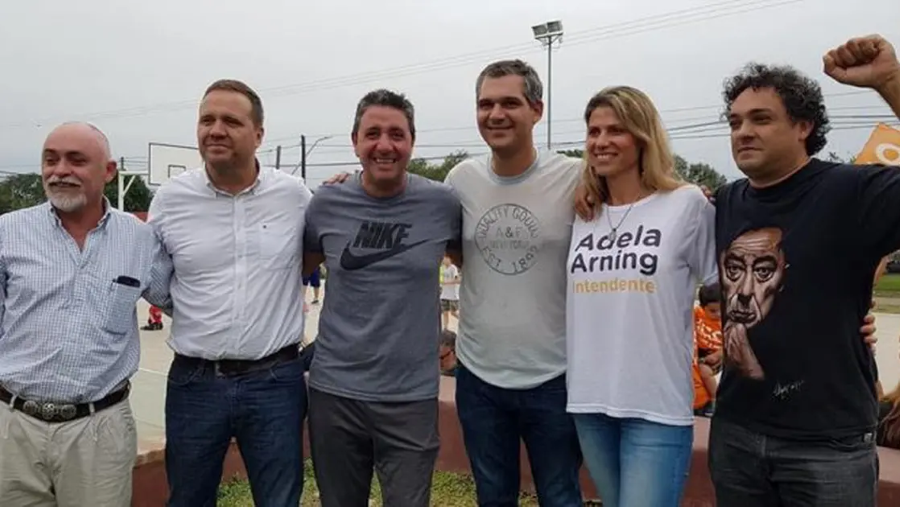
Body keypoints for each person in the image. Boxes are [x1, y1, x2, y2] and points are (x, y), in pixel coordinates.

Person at [708, 34, 900, 505]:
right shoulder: (728, 199)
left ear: (804, 126)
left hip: (826, 443)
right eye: (734, 121)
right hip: (735, 431)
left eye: (761, 119)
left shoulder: (851, 192)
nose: (742, 131)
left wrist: (890, 81)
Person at [148, 79, 312, 507]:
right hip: (194, 382)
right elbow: (156, 280)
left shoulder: (295, 197)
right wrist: (196, 312)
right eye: (207, 119)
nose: (215, 129)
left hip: (275, 381)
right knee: (188, 498)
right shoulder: (171, 199)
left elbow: (318, 254)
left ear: (258, 134)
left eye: (231, 121)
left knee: (279, 500)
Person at [302, 89, 461, 507]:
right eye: (372, 133)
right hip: (335, 392)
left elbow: (472, 264)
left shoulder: (441, 203)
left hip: (410, 395)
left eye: (397, 134)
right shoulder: (326, 203)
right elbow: (299, 268)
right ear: (355, 141)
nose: (384, 145)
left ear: (412, 141)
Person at [0, 122, 172, 506]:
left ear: (108, 172)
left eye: (76, 160)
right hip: (13, 427)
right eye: (51, 160)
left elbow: (183, 301)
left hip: (100, 430)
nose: (60, 170)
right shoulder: (8, 232)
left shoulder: (141, 240)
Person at [565, 85, 718, 506]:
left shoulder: (687, 204)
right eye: (593, 131)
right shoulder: (581, 212)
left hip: (656, 406)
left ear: (643, 136)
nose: (601, 141)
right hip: (589, 400)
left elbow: (734, 282)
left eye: (616, 130)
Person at [444, 59, 585, 506]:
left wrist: (685, 191)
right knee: (492, 495)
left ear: (537, 109)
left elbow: (636, 197)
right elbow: (457, 253)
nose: (496, 114)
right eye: (485, 104)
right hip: (479, 375)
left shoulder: (575, 176)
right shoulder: (460, 179)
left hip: (556, 376)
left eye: (510, 103)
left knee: (560, 494)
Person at [440, 254, 460, 329]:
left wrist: (447, 282)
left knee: (453, 312)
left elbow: (457, 280)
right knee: (445, 312)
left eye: (444, 258)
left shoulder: (453, 268)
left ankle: (462, 321)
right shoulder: (442, 268)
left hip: (453, 294)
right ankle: (446, 328)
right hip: (444, 294)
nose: (443, 260)